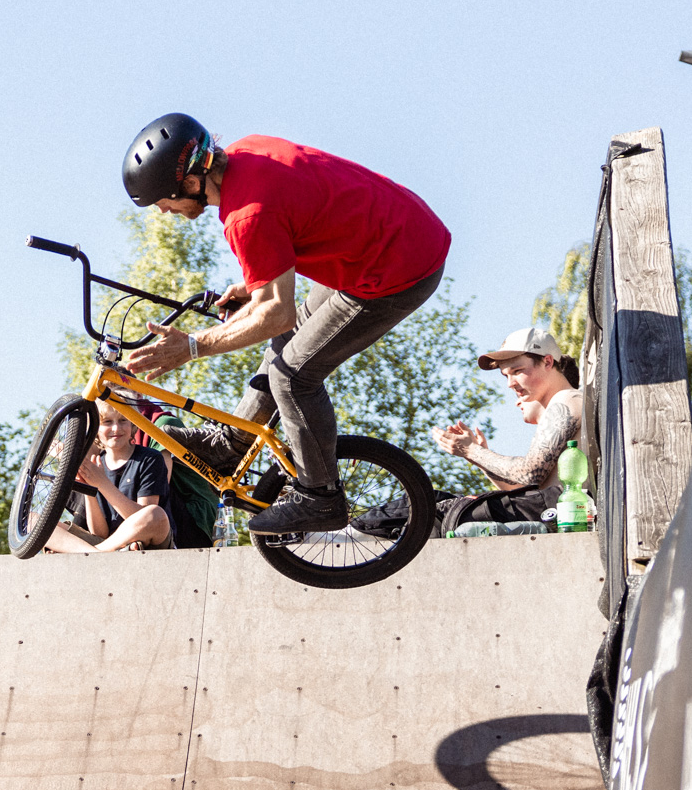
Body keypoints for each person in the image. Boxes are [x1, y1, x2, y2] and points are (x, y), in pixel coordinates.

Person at [119, 114, 451, 535]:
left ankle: (320, 497)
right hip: (393, 235)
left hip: (398, 270)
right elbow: (299, 212)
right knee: (287, 337)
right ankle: (231, 444)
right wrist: (259, 278)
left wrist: (192, 347)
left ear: (187, 181)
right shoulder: (247, 152)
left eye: (162, 201)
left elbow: (276, 311)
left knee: (292, 375)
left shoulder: (245, 216)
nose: (164, 212)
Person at [427, 328, 582, 527]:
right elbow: (525, 489)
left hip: (568, 514)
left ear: (548, 362)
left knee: (438, 512)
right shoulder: (560, 404)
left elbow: (532, 472)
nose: (510, 384)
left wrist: (472, 450)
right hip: (556, 513)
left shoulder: (567, 400)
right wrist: (479, 456)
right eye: (505, 376)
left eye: (517, 371)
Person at [45, 402, 175, 554]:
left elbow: (142, 517)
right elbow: (99, 533)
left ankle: (89, 552)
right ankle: (94, 553)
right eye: (107, 422)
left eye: (123, 420)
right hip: (106, 544)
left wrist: (102, 483)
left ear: (133, 425)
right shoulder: (97, 463)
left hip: (148, 539)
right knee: (31, 523)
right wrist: (90, 489)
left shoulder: (150, 458)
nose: (116, 428)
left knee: (154, 514)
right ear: (96, 430)